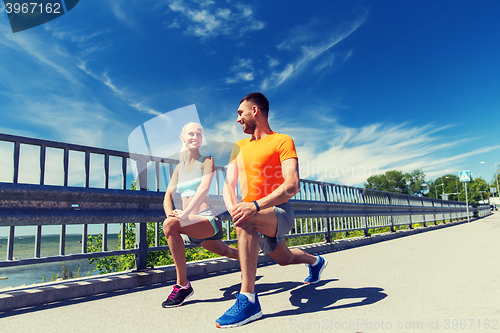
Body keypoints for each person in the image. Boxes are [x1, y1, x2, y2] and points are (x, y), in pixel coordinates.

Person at [216, 93, 327, 328]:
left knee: (246, 220)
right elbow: (228, 185)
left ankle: (248, 300)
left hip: (279, 212)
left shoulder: (282, 141)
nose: (238, 120)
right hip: (252, 214)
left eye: (240, 113)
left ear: (255, 110)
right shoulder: (239, 147)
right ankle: (316, 261)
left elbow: (292, 185)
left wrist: (254, 206)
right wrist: (234, 208)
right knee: (284, 259)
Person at [162, 122, 239, 308]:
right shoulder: (179, 168)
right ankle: (251, 258)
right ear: (183, 138)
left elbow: (204, 188)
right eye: (190, 134)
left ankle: (182, 285)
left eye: (198, 134)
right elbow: (167, 197)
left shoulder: (207, 160)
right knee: (226, 251)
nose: (195, 137)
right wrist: (171, 213)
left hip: (206, 219)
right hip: (189, 223)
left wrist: (182, 216)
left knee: (169, 225)